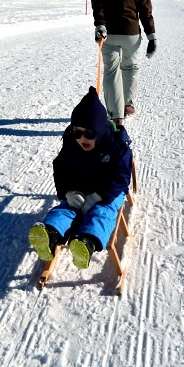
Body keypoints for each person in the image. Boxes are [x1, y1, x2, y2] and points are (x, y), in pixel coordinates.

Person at [29, 87, 132, 269]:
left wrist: (100, 195)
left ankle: (86, 242)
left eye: (88, 133)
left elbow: (121, 176)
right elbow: (60, 167)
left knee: (102, 212)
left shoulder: (116, 146)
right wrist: (68, 191)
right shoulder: (71, 143)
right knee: (66, 209)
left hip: (108, 192)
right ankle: (50, 234)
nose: (81, 138)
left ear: (99, 131)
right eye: (77, 132)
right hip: (81, 188)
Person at [90, 0, 157, 126]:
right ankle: (128, 104)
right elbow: (145, 11)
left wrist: (100, 25)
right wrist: (151, 36)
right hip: (132, 34)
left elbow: (98, 5)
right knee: (131, 67)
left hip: (109, 34)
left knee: (111, 72)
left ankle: (115, 115)